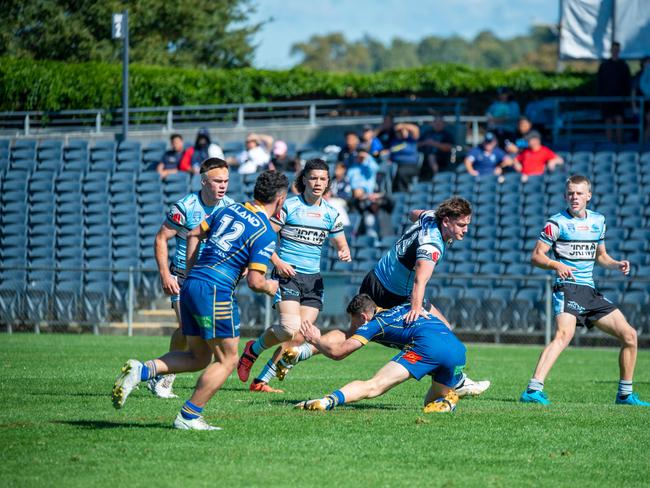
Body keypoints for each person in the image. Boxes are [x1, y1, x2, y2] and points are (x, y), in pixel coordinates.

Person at [111, 170, 289, 430]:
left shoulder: (228, 210)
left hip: (192, 285)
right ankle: (189, 416)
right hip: (216, 291)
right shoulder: (264, 232)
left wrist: (192, 270)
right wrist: (271, 286)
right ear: (281, 200)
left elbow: (193, 234)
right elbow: (255, 281)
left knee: (198, 357)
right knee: (228, 360)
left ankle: (142, 370)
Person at [278, 197, 490, 397]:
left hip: (375, 279)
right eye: (461, 225)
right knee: (441, 331)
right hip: (397, 294)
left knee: (353, 334)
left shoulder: (430, 216)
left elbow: (412, 213)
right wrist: (415, 309)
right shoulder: (431, 245)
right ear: (446, 221)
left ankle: (301, 352)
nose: (466, 230)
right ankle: (456, 382)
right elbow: (420, 281)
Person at [520, 175, 649, 407]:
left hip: (590, 291)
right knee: (563, 335)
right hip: (567, 288)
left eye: (579, 193)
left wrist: (616, 263)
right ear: (565, 196)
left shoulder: (599, 221)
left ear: (588, 195)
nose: (574, 197)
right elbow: (536, 256)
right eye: (570, 193)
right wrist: (556, 264)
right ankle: (533, 389)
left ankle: (624, 395)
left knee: (630, 335)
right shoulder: (556, 223)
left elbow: (601, 256)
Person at [237, 159, 352, 393]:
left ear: (328, 182)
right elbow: (264, 238)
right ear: (304, 180)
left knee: (299, 337)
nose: (318, 182)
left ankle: (261, 382)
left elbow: (341, 242)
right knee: (289, 328)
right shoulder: (289, 206)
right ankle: (253, 349)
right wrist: (278, 262)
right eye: (313, 178)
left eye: (322, 178)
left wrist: (344, 250)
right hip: (288, 275)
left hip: (313, 280)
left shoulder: (331, 213)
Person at [295, 294, 466, 413]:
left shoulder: (374, 324)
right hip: (457, 349)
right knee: (431, 404)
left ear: (363, 317)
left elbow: (339, 353)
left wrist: (315, 340)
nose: (353, 328)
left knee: (374, 385)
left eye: (354, 323)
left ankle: (328, 401)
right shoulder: (404, 305)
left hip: (428, 348)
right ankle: (449, 402)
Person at [150, 158, 235, 398]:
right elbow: (160, 239)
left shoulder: (229, 208)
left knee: (188, 330)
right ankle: (165, 377)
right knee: (188, 328)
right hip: (182, 278)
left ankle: (159, 371)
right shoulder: (185, 207)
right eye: (218, 181)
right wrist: (165, 274)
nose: (223, 186)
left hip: (212, 280)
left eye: (226, 181)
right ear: (204, 181)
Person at [597, 42, 632, 144]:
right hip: (607, 98)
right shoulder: (604, 66)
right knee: (608, 120)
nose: (615, 51)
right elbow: (600, 82)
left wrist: (626, 97)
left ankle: (619, 142)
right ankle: (609, 144)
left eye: (617, 49)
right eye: (613, 49)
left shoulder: (623, 66)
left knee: (619, 119)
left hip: (620, 99)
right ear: (611, 50)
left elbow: (627, 83)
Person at [417, 114, 455, 178]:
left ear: (444, 124)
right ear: (432, 123)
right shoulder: (427, 133)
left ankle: (436, 175)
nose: (437, 124)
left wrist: (434, 144)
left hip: (442, 158)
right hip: (423, 158)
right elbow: (417, 144)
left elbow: (449, 147)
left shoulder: (447, 135)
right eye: (435, 122)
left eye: (440, 122)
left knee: (432, 155)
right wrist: (425, 143)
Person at [389, 122, 420, 192]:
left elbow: (415, 129)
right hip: (396, 165)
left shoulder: (412, 140)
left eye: (404, 130)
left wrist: (402, 125)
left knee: (401, 172)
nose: (402, 132)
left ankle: (403, 192)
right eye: (400, 131)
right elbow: (391, 153)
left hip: (411, 166)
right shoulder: (395, 141)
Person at [632, 56, 650, 143]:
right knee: (641, 125)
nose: (648, 64)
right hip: (641, 104)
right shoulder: (638, 76)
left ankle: (645, 142)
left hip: (648, 104)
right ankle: (642, 143)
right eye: (647, 62)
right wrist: (634, 106)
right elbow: (633, 92)